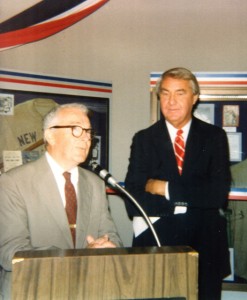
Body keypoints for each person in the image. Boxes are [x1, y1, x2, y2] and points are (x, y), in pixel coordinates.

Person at [125, 67, 231, 300]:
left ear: (194, 98)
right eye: (165, 93)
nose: (171, 101)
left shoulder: (214, 137)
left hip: (206, 249)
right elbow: (133, 202)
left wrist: (164, 188)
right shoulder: (143, 139)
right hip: (157, 244)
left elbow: (217, 195)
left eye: (180, 93)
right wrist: (187, 203)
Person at [0, 103, 123, 299]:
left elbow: (112, 237)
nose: (85, 137)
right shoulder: (13, 182)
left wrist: (108, 246)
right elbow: (11, 253)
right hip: (31, 291)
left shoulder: (95, 183)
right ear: (50, 135)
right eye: (76, 129)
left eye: (88, 132)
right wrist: (81, 257)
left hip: (86, 291)